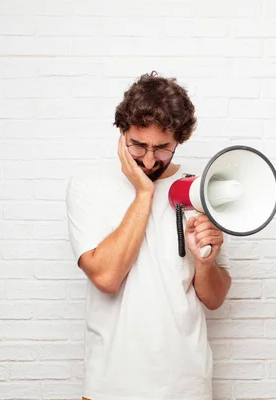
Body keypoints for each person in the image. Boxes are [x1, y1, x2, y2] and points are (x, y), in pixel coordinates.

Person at [65, 71, 232, 400]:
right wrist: (145, 193)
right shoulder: (88, 185)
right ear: (122, 131)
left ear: (179, 141)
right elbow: (107, 276)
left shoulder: (198, 191)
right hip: (111, 386)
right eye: (138, 145)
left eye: (162, 148)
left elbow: (214, 299)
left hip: (187, 385)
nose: (149, 159)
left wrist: (206, 263)